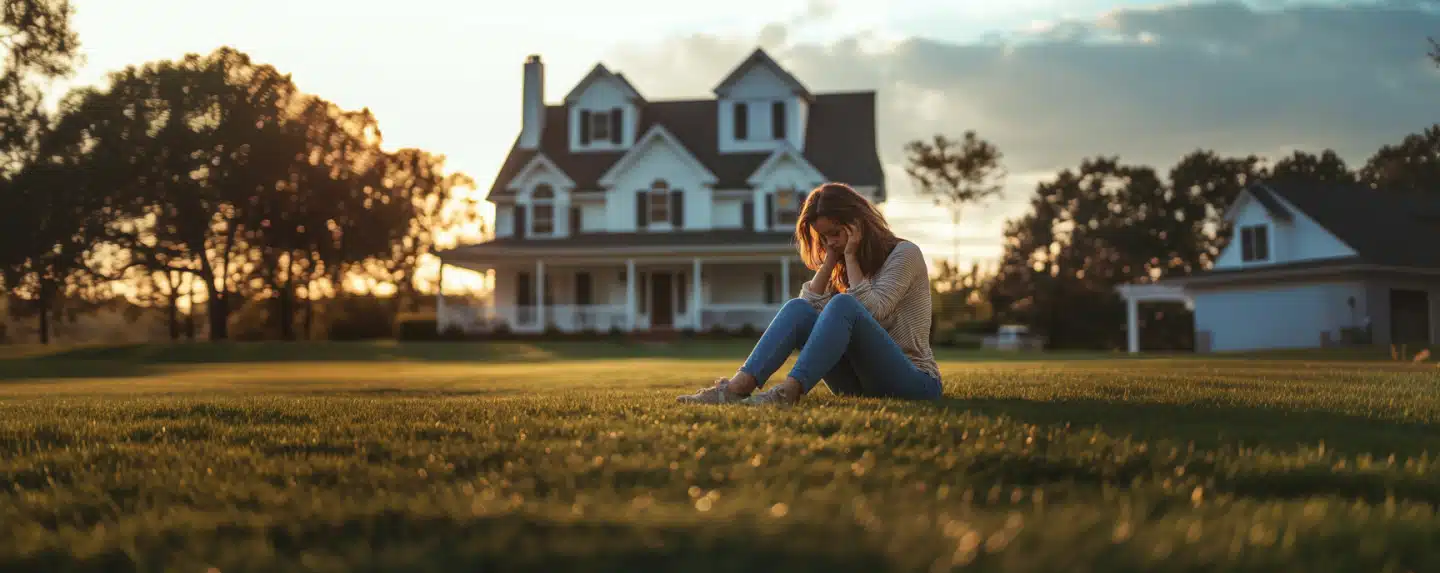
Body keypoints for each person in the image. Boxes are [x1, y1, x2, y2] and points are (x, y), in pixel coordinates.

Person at [677, 182, 942, 407]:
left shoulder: (905, 254)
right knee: (797, 308)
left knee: (843, 304)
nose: (831, 243)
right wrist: (830, 262)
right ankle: (735, 389)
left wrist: (849, 256)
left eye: (836, 234)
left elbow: (874, 311)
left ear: (858, 224)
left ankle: (786, 394)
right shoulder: (841, 265)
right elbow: (805, 313)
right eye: (824, 238)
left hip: (914, 381)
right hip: (859, 384)